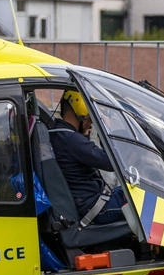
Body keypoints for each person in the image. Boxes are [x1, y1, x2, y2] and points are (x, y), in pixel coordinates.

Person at [49, 90, 127, 226]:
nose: (92, 121)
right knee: (148, 200)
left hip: (93, 203)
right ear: (82, 112)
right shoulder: (70, 140)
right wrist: (107, 129)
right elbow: (110, 162)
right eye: (91, 116)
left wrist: (84, 132)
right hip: (97, 208)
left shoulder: (60, 134)